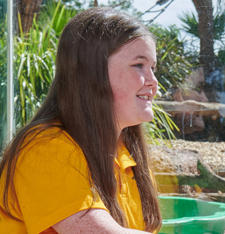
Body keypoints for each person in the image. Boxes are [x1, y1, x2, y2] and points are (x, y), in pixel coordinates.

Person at [0, 7, 161, 233]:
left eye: (153, 68)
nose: (154, 82)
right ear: (92, 73)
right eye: (139, 65)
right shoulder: (45, 149)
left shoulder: (127, 157)